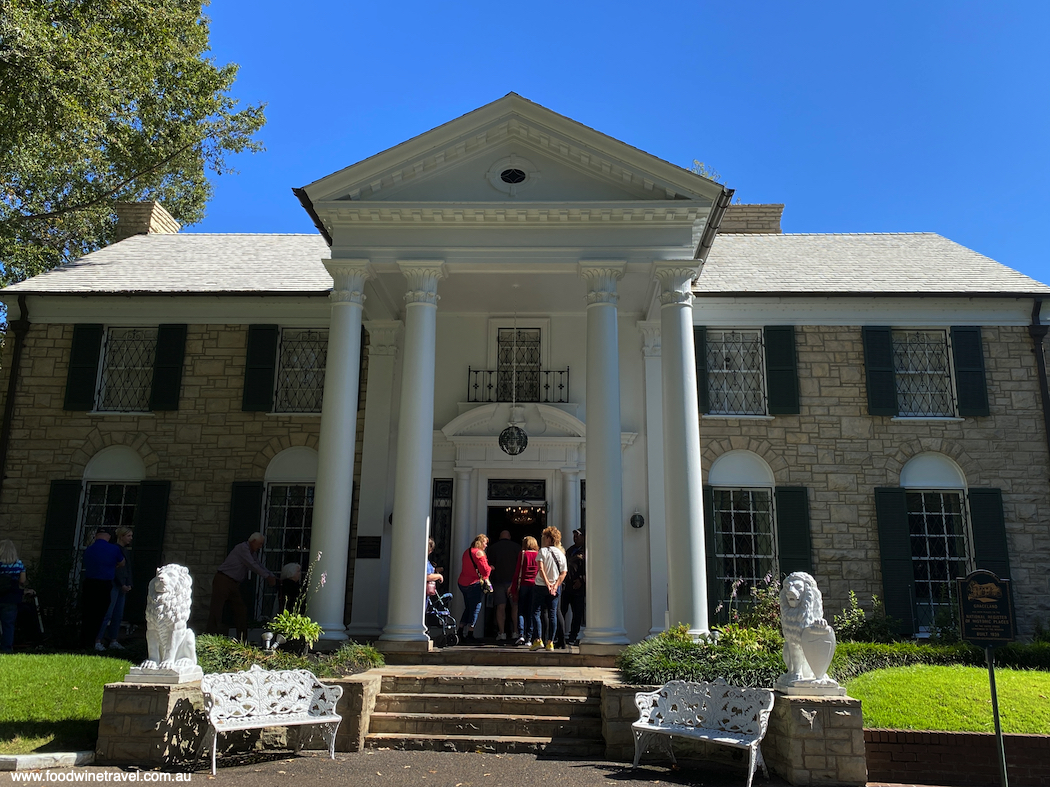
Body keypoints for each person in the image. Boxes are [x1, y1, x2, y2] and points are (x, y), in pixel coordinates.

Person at [206, 532, 276, 640]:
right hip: (223, 580)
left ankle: (242, 640)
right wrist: (267, 577)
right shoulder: (242, 549)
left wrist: (271, 575)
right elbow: (252, 565)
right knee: (217, 609)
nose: (260, 547)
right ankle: (209, 637)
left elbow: (258, 564)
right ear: (253, 542)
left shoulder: (252, 553)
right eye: (259, 544)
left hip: (234, 583)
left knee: (241, 610)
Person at [81, 528, 126, 650]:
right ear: (108, 537)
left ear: (96, 536)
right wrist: (113, 565)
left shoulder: (89, 549)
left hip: (89, 583)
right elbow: (122, 563)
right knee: (101, 613)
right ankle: (96, 641)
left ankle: (87, 641)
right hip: (104, 584)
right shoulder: (113, 549)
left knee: (88, 612)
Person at [530, 526, 567, 652]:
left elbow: (540, 569)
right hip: (555, 588)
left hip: (541, 586)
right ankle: (550, 642)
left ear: (548, 538)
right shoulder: (561, 554)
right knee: (553, 614)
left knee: (536, 612)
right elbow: (563, 572)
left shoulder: (543, 551)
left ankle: (538, 639)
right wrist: (555, 585)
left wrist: (547, 584)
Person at [96, 527, 133, 651]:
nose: (130, 539)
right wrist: (121, 583)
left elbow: (127, 569)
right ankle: (98, 640)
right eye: (128, 536)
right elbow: (115, 569)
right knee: (108, 613)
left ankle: (113, 640)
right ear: (121, 536)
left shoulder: (125, 551)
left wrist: (129, 583)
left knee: (118, 614)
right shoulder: (114, 549)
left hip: (123, 586)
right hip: (115, 585)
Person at [486, 530, 521, 642]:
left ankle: (501, 633)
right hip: (513, 582)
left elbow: (489, 564)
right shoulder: (517, 547)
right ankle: (516, 632)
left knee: (500, 607)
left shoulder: (493, 548)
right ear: (509, 536)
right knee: (515, 607)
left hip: (498, 581)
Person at [0, 540, 33, 654]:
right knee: (8, 625)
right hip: (12, 598)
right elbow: (22, 581)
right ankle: (6, 648)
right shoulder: (18, 564)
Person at [457, 533, 490, 643]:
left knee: (468, 607)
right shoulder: (480, 553)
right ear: (481, 543)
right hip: (474, 584)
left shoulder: (467, 551)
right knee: (476, 607)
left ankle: (460, 631)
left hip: (462, 583)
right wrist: (491, 568)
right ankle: (470, 633)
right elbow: (485, 571)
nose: (486, 546)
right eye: (485, 543)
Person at [509, 536, 539, 647]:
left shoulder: (523, 554)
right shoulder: (538, 554)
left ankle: (521, 634)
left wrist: (513, 587)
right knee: (531, 612)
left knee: (521, 611)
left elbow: (517, 572)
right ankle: (529, 637)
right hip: (535, 585)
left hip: (523, 585)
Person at [563, 528, 586, 646]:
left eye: (577, 536)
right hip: (567, 586)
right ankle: (559, 636)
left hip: (579, 587)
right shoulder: (570, 550)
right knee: (562, 610)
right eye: (574, 536)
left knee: (577, 613)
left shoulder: (586, 550)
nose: (575, 538)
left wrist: (582, 579)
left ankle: (573, 636)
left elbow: (591, 568)